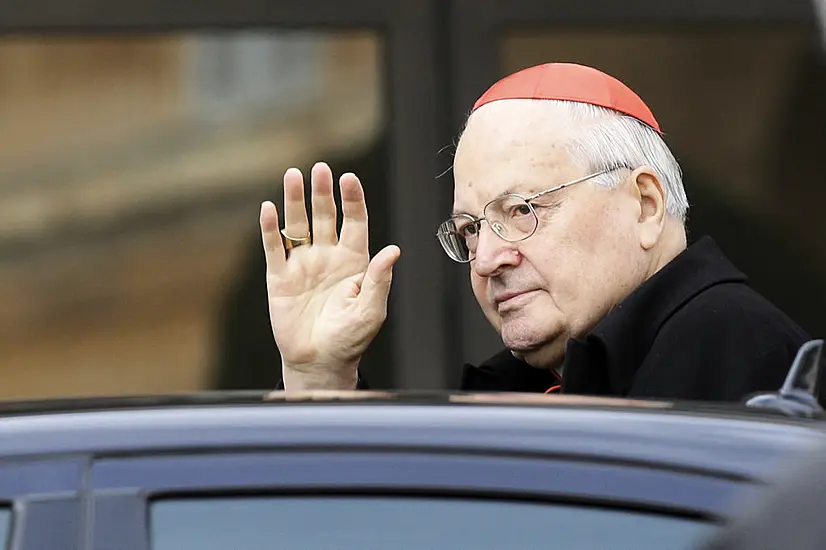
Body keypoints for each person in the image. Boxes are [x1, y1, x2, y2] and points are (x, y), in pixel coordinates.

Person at [260, 62, 809, 399]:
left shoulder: (730, 346)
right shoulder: (536, 381)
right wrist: (319, 377)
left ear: (644, 205)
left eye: (521, 211)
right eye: (471, 229)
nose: (485, 260)